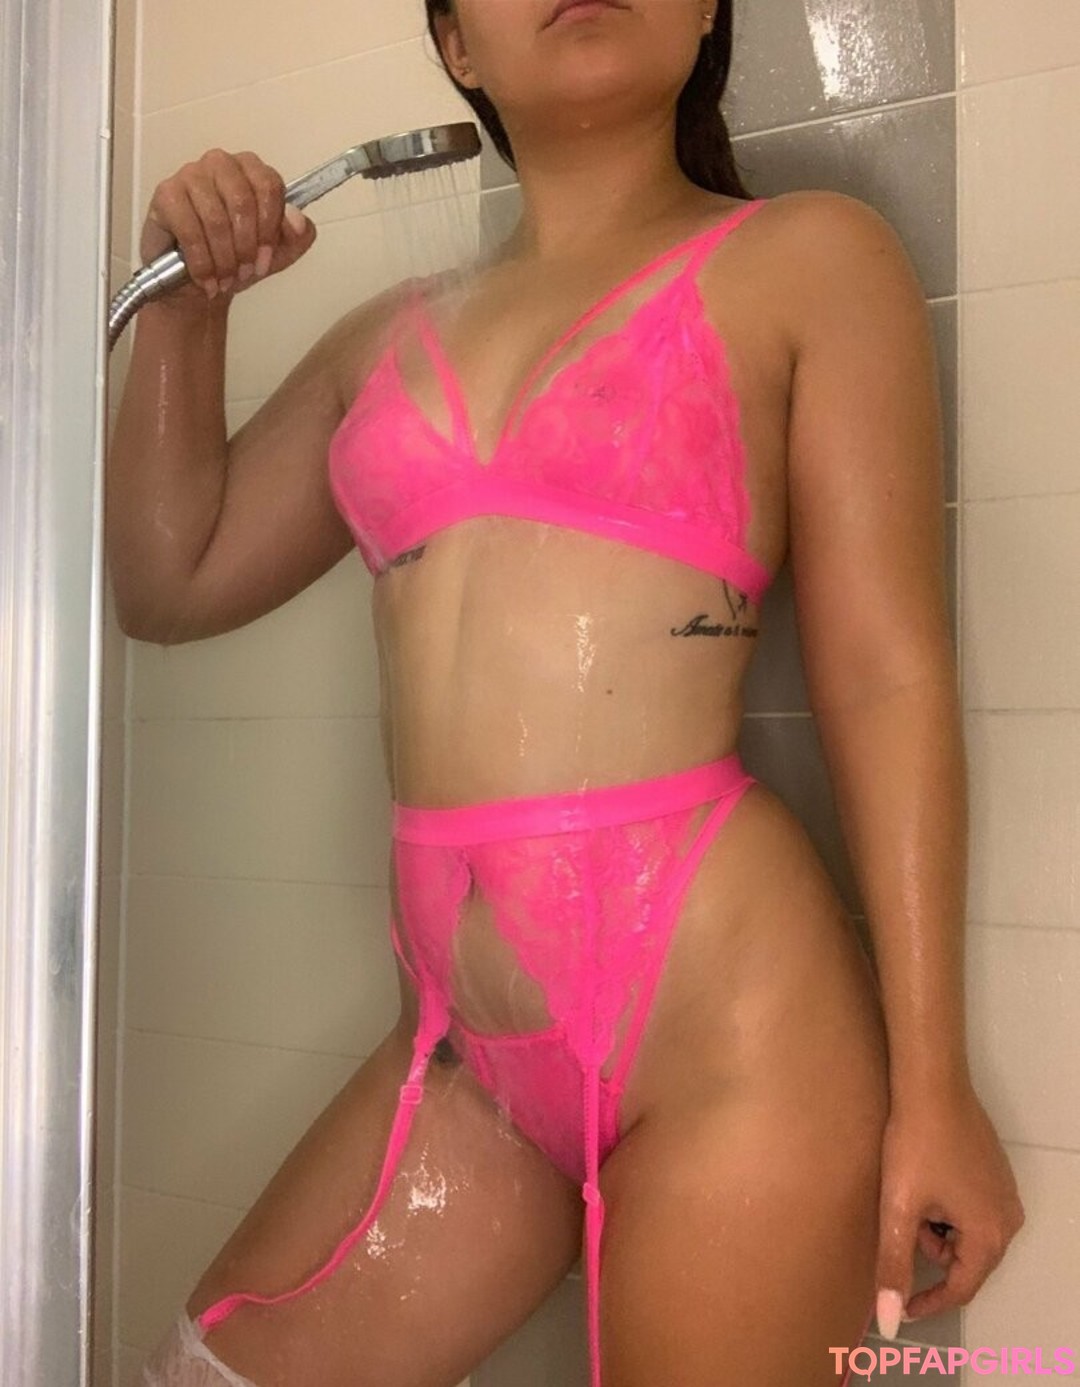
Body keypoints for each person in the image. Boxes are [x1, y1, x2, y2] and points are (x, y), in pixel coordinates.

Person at [112, 2, 1025, 1385]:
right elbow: (171, 579)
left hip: (732, 1045)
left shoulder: (809, 259)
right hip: (467, 1055)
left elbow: (885, 675)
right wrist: (185, 311)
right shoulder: (381, 341)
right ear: (457, 48)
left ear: (707, 10)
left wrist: (935, 1085)